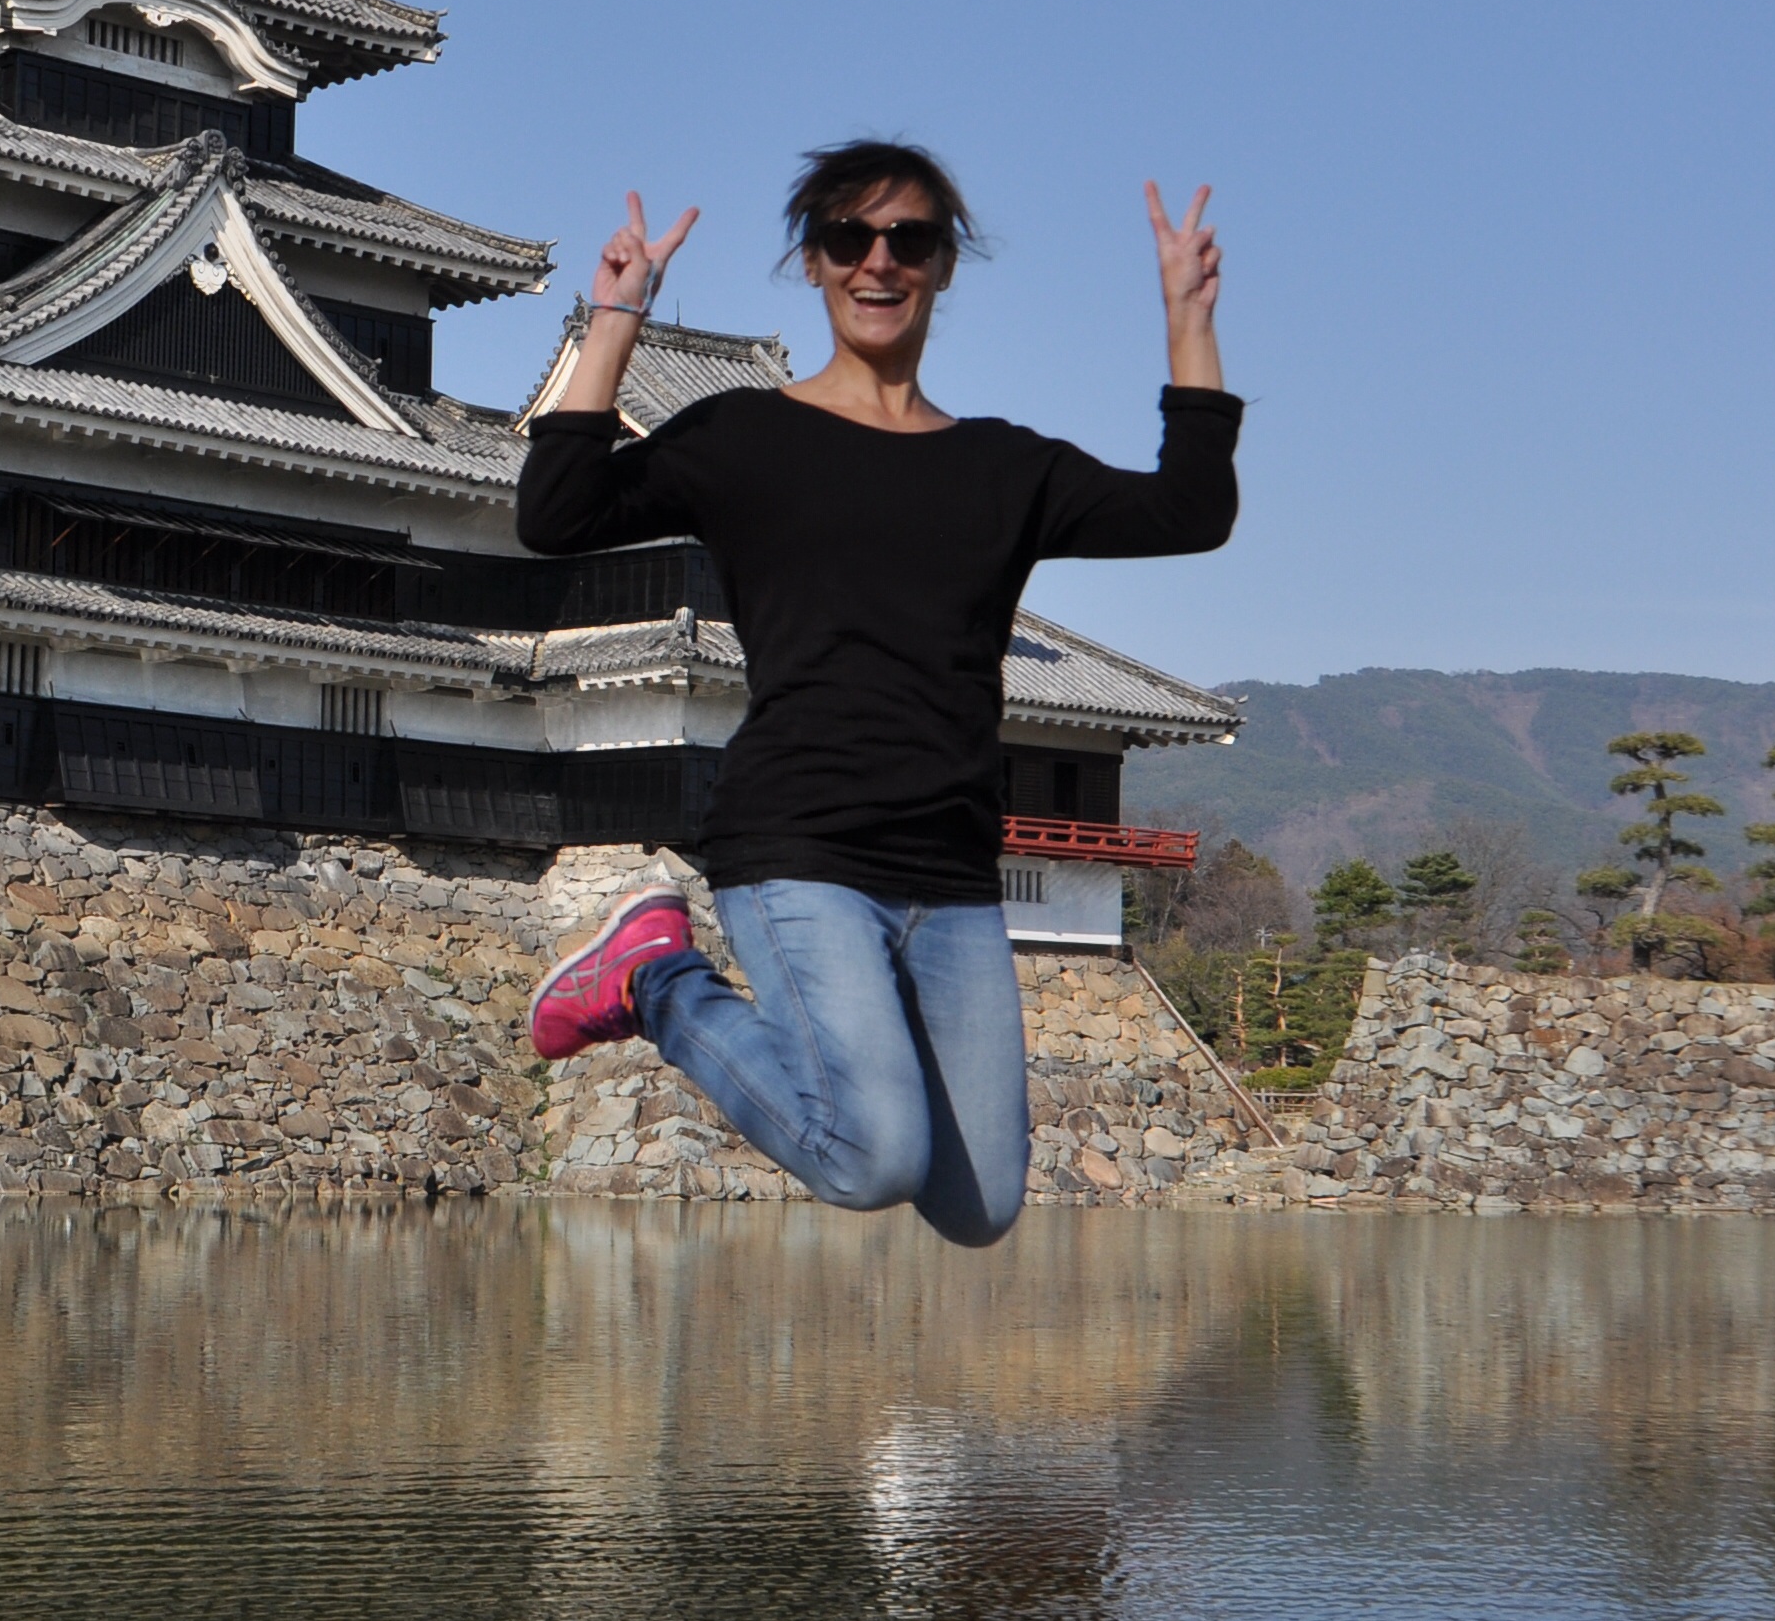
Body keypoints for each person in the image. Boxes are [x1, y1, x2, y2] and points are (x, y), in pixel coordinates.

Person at [514, 140, 1238, 1246]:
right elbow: (555, 513)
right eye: (849, 237)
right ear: (812, 262)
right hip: (798, 844)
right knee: (873, 1155)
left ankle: (691, 990)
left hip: (949, 870)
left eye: (910, 238)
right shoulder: (746, 435)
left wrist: (1188, 317)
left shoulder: (1003, 468)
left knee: (979, 1206)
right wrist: (617, 317)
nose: (879, 261)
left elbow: (1189, 511)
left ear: (944, 264)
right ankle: (655, 981)